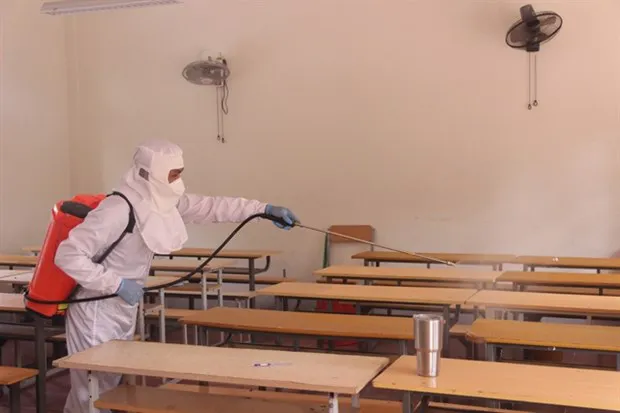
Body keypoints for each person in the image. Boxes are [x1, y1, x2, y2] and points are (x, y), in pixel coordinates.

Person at [54, 139, 299, 413]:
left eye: (180, 172)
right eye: (173, 174)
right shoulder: (117, 209)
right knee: (91, 390)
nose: (179, 180)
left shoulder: (159, 201)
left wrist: (262, 209)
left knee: (104, 386)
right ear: (152, 173)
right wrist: (116, 283)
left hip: (121, 307)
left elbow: (212, 207)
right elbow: (68, 255)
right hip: (95, 311)